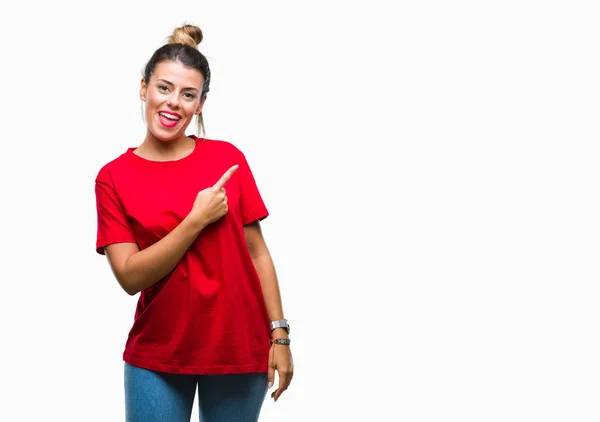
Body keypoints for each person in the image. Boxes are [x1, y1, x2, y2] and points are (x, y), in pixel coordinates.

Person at [94, 24, 293, 421]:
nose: (173, 103)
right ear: (143, 88)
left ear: (200, 104)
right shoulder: (113, 176)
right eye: (164, 88)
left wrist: (280, 335)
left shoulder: (226, 159)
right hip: (157, 353)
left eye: (188, 94)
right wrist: (196, 220)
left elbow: (258, 255)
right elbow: (130, 277)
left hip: (238, 348)